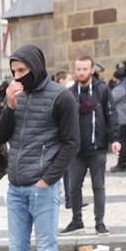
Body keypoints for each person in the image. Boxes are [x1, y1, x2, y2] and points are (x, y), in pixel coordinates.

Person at [0, 44, 80, 251]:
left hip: (42, 188)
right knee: (17, 250)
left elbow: (71, 143)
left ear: (36, 66)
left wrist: (48, 179)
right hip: (16, 188)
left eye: (22, 70)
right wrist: (9, 107)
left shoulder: (61, 96)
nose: (18, 77)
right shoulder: (15, 96)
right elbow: (0, 137)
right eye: (14, 71)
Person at [60, 56, 120, 237]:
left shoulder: (102, 90)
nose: (81, 72)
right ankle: (77, 220)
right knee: (73, 187)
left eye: (85, 69)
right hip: (76, 150)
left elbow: (111, 114)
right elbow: (62, 119)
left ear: (92, 70)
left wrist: (115, 139)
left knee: (98, 186)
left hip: (98, 148)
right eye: (78, 69)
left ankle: (99, 222)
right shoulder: (70, 92)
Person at [54, 70, 74, 209]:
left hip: (64, 139)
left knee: (67, 172)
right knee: (59, 173)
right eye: (69, 78)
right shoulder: (60, 96)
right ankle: (66, 199)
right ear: (62, 81)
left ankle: (69, 199)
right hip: (59, 140)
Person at [110, 67, 126, 173]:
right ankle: (122, 163)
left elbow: (110, 100)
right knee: (124, 141)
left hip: (121, 118)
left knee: (122, 142)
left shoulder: (120, 89)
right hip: (125, 117)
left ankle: (122, 164)